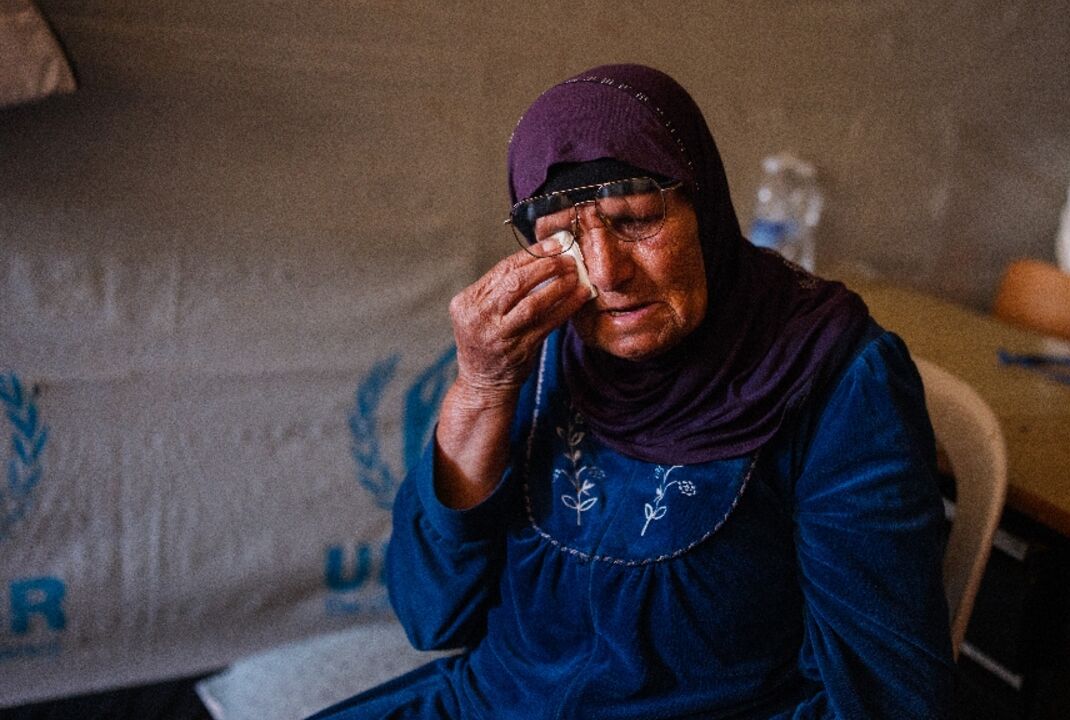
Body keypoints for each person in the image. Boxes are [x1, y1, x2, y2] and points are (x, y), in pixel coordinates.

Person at [310, 63, 954, 720]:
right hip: (495, 704)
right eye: (562, 239)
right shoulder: (536, 344)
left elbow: (885, 697)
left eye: (637, 220)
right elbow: (431, 616)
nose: (608, 274)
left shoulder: (833, 373)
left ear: (704, 206)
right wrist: (481, 388)